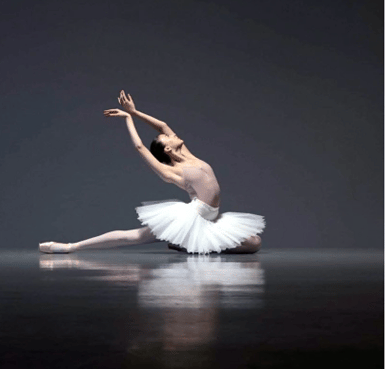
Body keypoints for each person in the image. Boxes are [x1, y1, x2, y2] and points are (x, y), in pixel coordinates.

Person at [39, 90, 265, 254]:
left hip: (210, 220)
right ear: (168, 149)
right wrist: (127, 120)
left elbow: (162, 126)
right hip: (191, 219)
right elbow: (139, 147)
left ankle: (186, 244)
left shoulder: (188, 154)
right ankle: (71, 246)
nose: (172, 133)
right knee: (134, 237)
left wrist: (135, 112)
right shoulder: (173, 171)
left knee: (254, 243)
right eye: (168, 138)